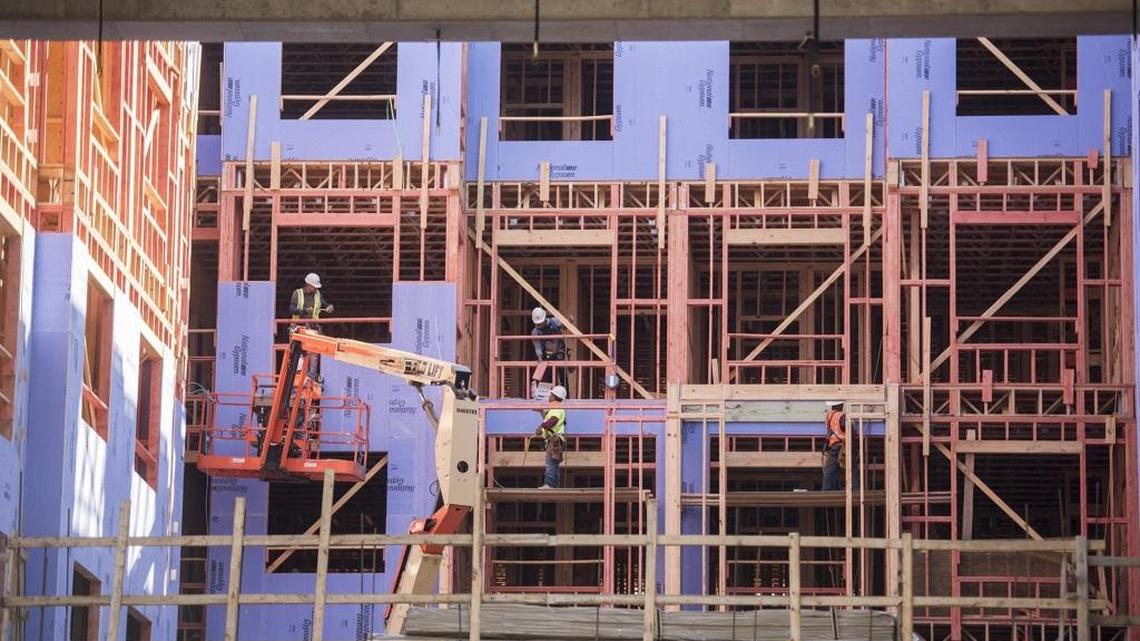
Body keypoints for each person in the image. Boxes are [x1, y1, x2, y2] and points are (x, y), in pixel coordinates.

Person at [535, 385, 567, 489]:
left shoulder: (557, 408)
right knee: (554, 463)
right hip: (554, 440)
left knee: (550, 463)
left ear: (554, 396)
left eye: (551, 394)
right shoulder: (555, 408)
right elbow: (548, 420)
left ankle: (549, 484)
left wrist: (541, 426)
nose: (549, 396)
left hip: (554, 440)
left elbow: (552, 421)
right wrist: (541, 412)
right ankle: (553, 485)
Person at [530, 307, 568, 389]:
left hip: (559, 351)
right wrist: (539, 356)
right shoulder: (535, 332)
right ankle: (549, 396)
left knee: (562, 375)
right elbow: (537, 346)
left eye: (540, 323)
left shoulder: (554, 321)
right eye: (537, 324)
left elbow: (564, 327)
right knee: (548, 376)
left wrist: (569, 322)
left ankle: (566, 395)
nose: (539, 325)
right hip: (546, 355)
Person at [821, 400, 845, 491]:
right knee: (852, 467)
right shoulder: (841, 416)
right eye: (842, 404)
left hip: (832, 445)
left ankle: (829, 490)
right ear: (839, 405)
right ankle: (854, 488)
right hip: (840, 445)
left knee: (832, 469)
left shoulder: (829, 415)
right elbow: (846, 429)